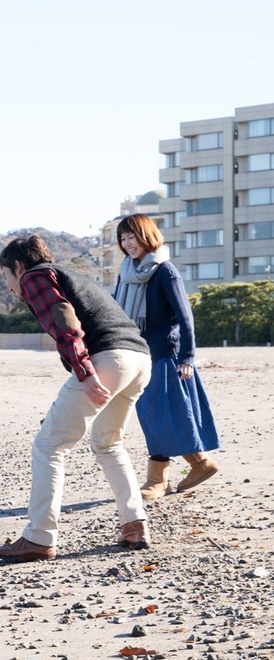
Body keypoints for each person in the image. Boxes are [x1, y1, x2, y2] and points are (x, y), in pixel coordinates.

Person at [0, 234, 153, 562]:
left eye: (6, 275)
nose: (9, 284)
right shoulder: (74, 276)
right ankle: (134, 525)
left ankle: (38, 537)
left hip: (107, 359)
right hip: (139, 359)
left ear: (18, 266)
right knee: (108, 444)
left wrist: (86, 372)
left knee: (49, 445)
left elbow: (65, 320)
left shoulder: (35, 276)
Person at [113, 213, 219, 497]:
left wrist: (187, 357)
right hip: (139, 355)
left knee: (163, 415)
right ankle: (185, 469)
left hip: (166, 356)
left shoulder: (164, 271)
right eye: (122, 238)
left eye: (131, 236)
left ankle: (170, 474)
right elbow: (116, 314)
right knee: (153, 416)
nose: (126, 243)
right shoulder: (126, 272)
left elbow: (186, 318)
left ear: (146, 235)